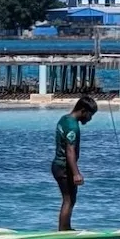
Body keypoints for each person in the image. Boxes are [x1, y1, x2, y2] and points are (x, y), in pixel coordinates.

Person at [52, 95, 97, 231]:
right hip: (64, 167)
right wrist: (76, 174)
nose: (90, 119)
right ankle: (63, 231)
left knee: (69, 199)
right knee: (69, 200)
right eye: (90, 115)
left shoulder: (64, 119)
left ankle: (66, 228)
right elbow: (70, 151)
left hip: (58, 165)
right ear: (83, 111)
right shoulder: (73, 127)